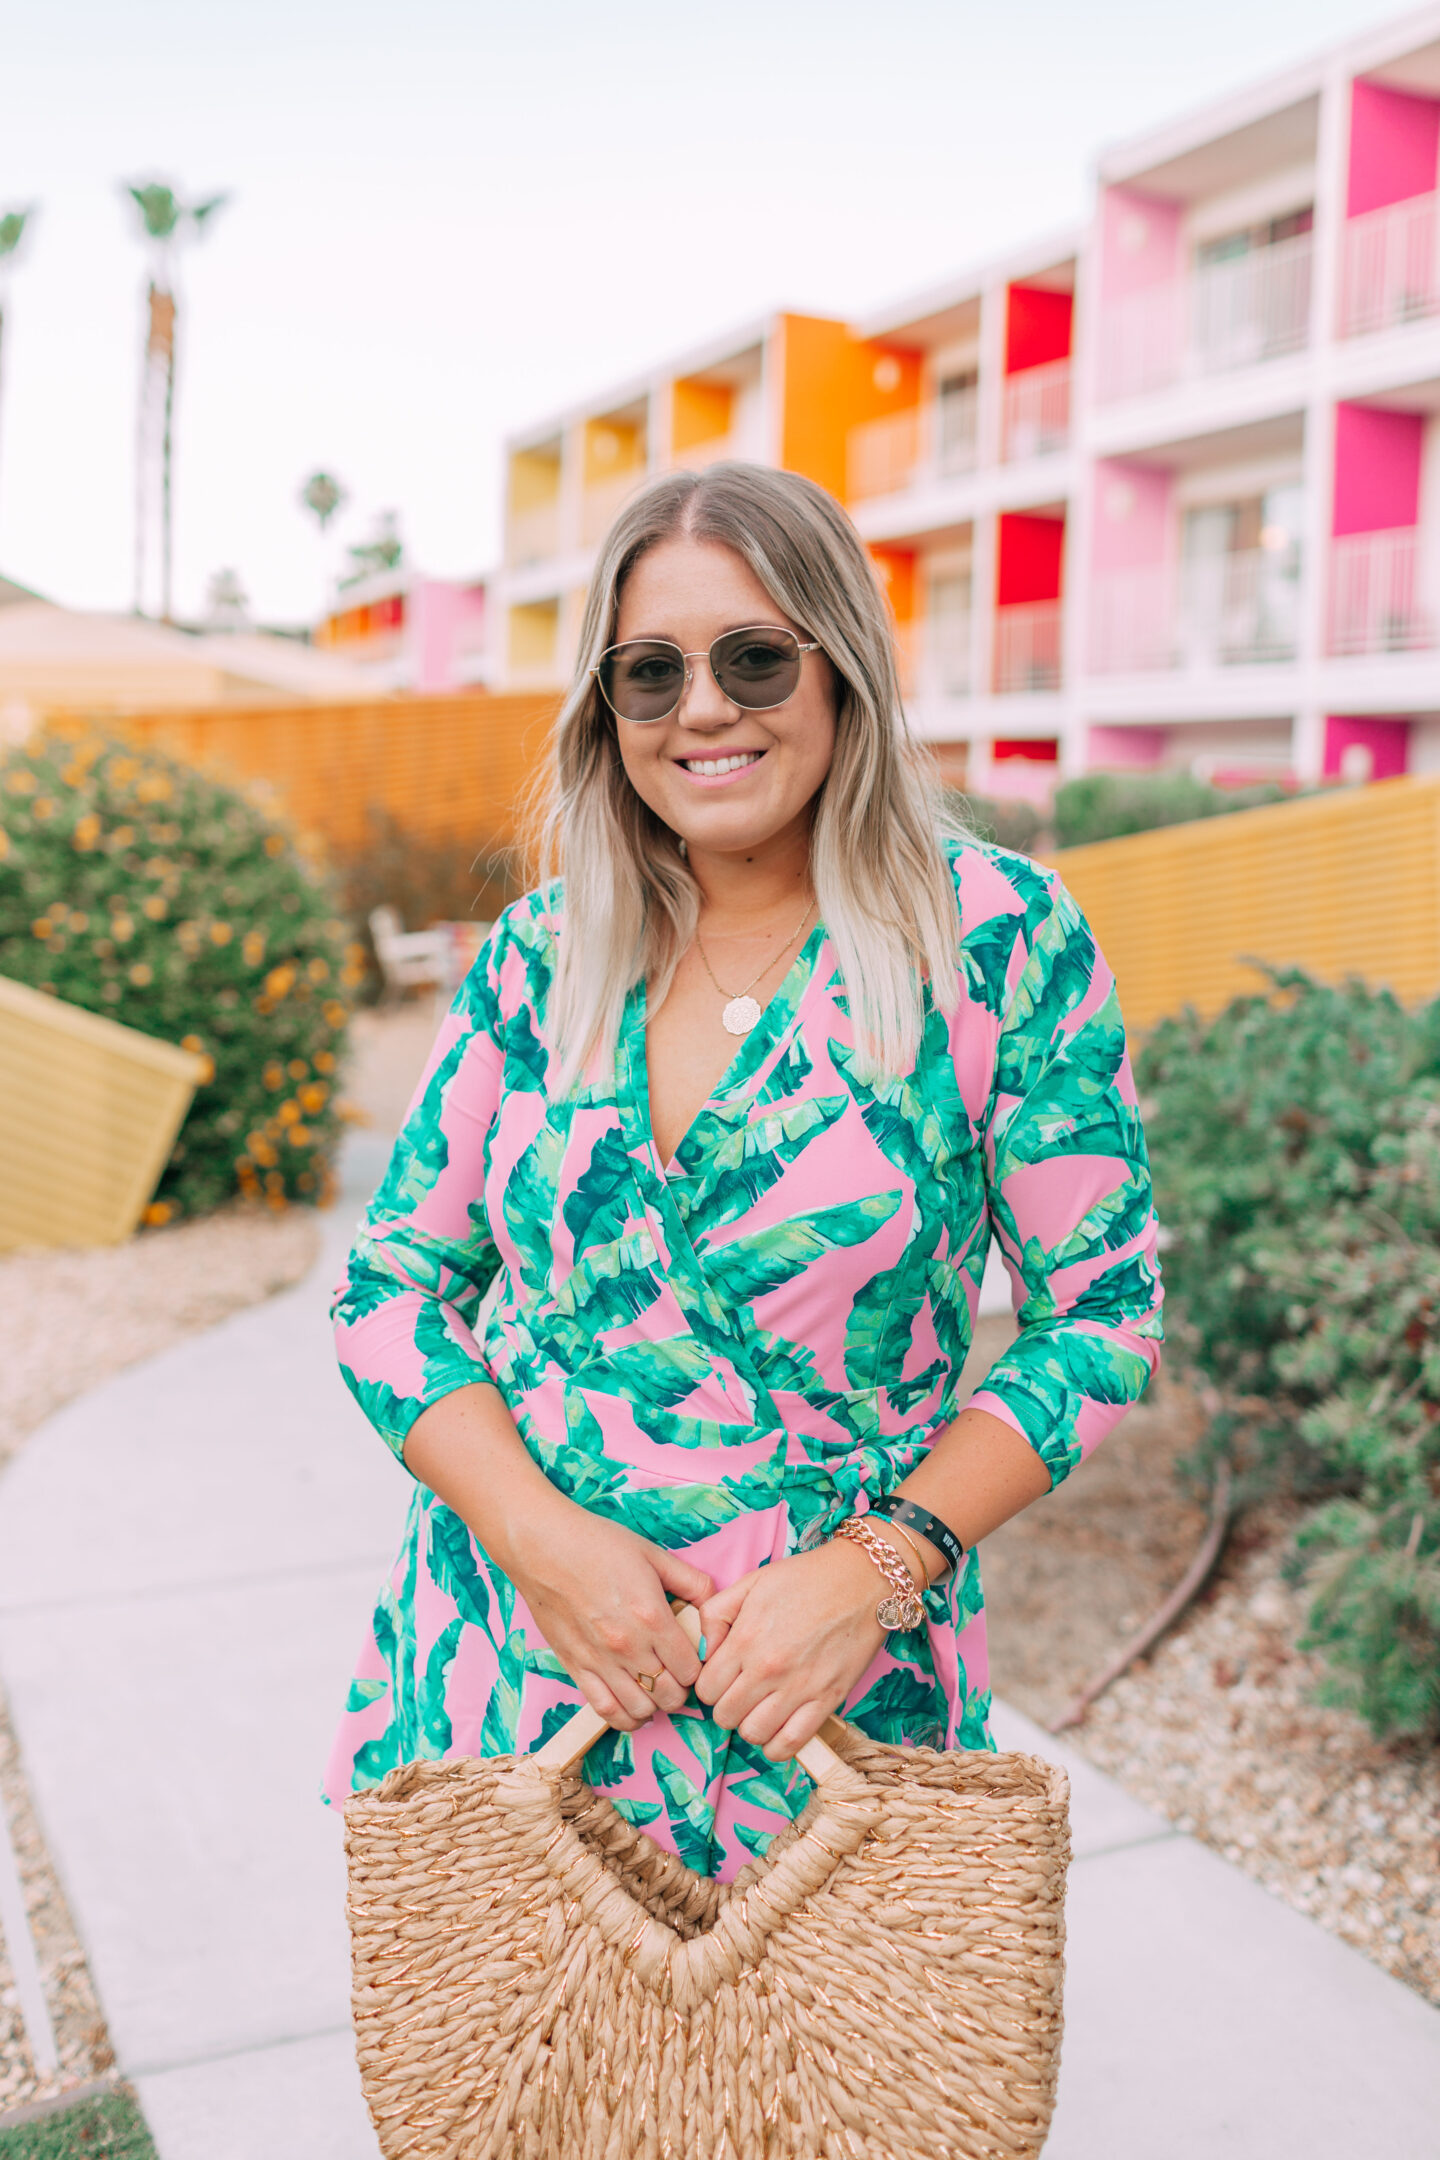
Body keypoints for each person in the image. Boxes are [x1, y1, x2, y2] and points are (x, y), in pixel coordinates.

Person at [324, 462, 1162, 1876]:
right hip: (511, 1707)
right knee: (520, 2103)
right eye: (648, 674)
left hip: (836, 1730)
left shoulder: (999, 941)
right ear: (609, 712)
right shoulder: (540, 960)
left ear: (842, 670)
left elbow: (1102, 1322)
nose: (701, 707)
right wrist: (534, 1538)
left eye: (754, 657)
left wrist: (876, 1570)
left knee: (844, 2106)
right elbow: (388, 1289)